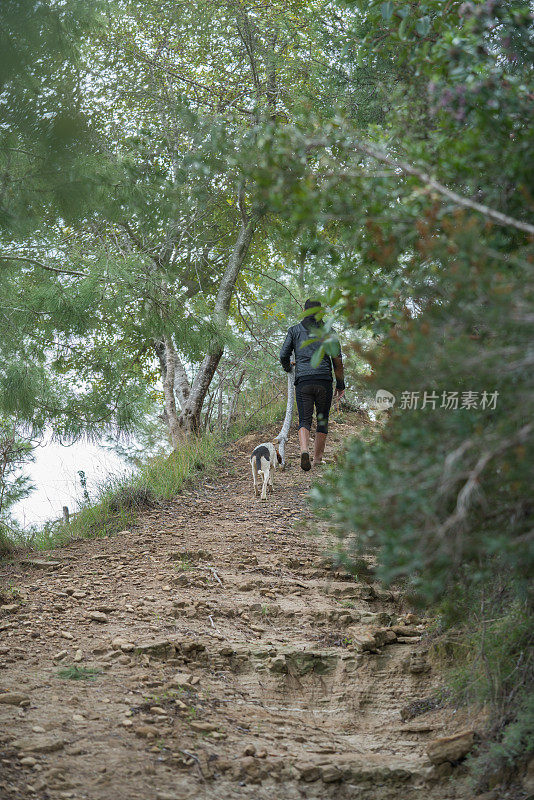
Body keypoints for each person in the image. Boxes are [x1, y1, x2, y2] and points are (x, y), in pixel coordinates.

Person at [280, 299, 345, 471]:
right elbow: (337, 361)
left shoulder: (294, 330)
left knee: (304, 419)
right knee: (322, 419)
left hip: (303, 381)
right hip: (324, 380)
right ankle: (317, 459)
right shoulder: (329, 331)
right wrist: (341, 384)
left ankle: (304, 451)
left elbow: (283, 355)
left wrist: (288, 367)